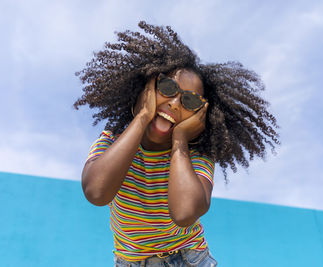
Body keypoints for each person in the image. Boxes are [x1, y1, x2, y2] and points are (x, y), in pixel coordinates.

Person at [74, 21, 279, 267]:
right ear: (143, 89)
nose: (174, 104)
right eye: (167, 88)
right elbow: (96, 192)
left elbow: (183, 213)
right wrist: (141, 117)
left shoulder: (196, 158)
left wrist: (180, 141)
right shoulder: (110, 141)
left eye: (190, 102)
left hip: (189, 260)